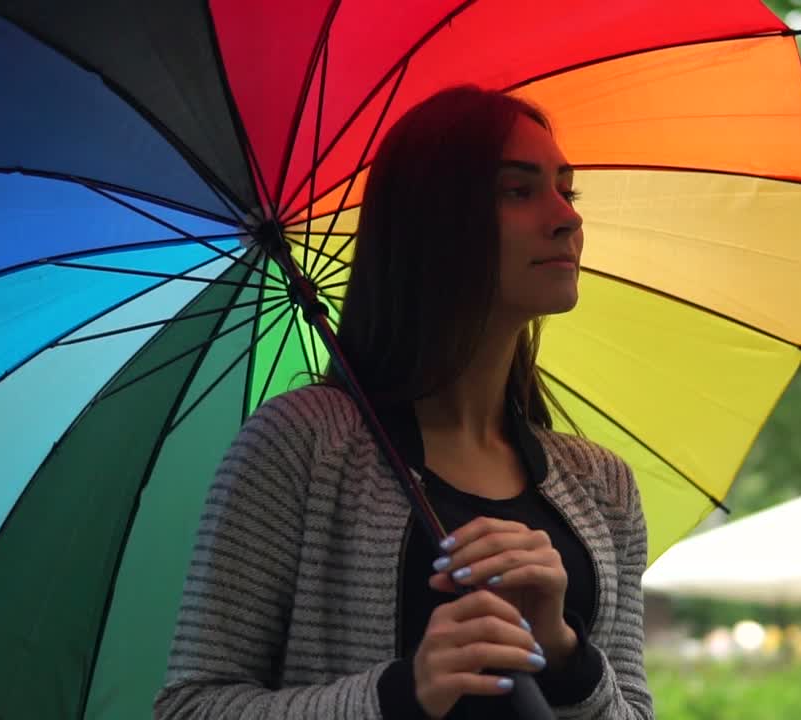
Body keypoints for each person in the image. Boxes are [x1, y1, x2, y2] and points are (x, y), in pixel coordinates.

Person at [154, 85, 653, 720]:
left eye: (567, 189)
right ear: (435, 223)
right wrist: (399, 695)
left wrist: (562, 653)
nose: (568, 218)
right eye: (519, 191)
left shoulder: (603, 485)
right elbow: (190, 707)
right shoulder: (301, 446)